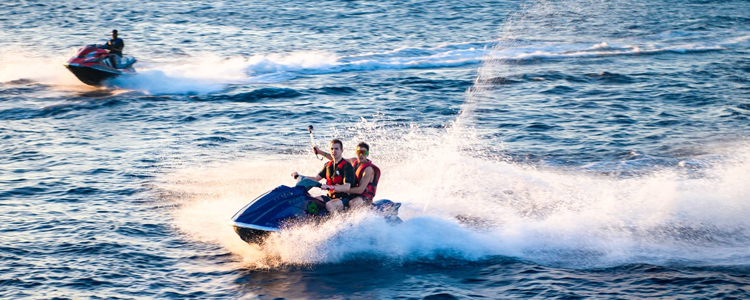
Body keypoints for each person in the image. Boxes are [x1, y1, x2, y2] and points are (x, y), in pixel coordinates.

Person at [292, 139, 355, 213]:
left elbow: (347, 187)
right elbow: (315, 179)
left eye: (336, 149)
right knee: (311, 201)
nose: (334, 151)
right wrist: (299, 176)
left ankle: (338, 223)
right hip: (330, 197)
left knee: (330, 205)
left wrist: (330, 187)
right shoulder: (328, 165)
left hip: (343, 199)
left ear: (342, 150)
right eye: (332, 149)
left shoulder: (347, 166)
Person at [313, 142, 380, 209]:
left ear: (367, 154)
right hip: (353, 194)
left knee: (353, 203)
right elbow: (336, 158)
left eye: (363, 152)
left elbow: (360, 190)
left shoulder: (368, 169)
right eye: (359, 152)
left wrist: (341, 189)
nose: (361, 155)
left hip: (365, 197)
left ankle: (354, 219)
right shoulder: (353, 161)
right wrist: (320, 152)